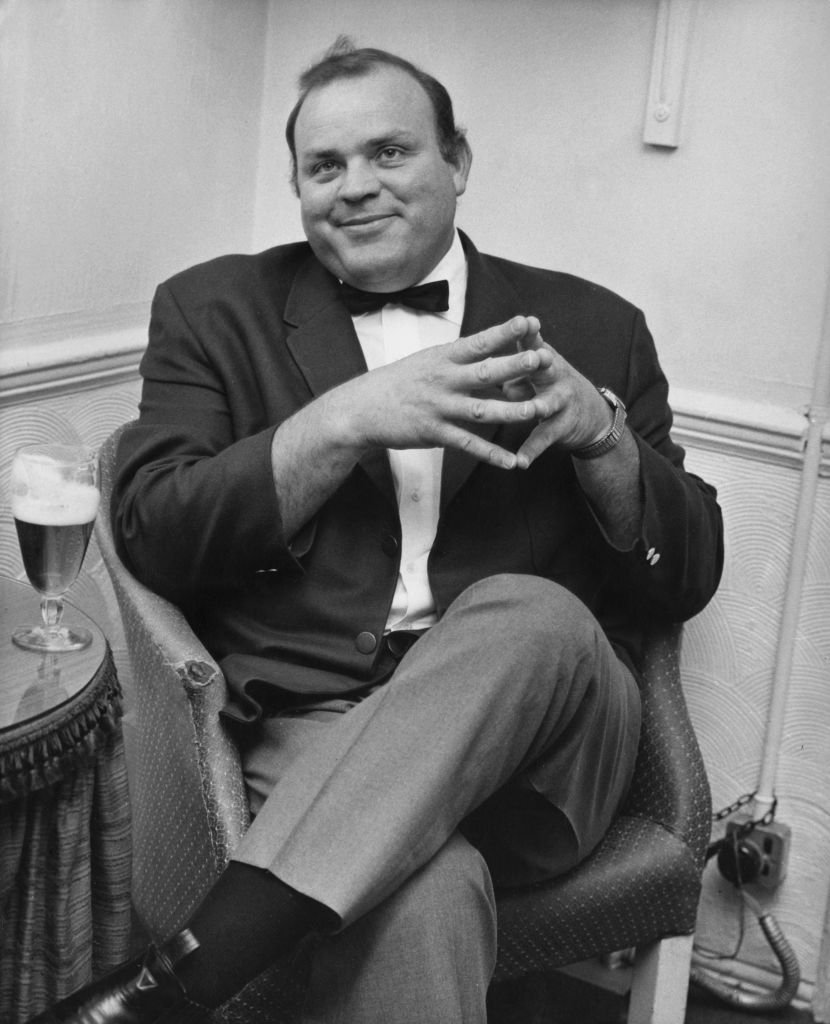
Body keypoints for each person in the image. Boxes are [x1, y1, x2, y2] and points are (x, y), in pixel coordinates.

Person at [32, 37, 723, 1024]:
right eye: (324, 166)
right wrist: (341, 418)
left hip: (545, 765)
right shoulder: (213, 308)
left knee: (530, 612)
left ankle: (178, 983)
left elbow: (685, 572)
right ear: (299, 188)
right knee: (418, 894)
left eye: (388, 153)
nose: (354, 187)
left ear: (457, 164)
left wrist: (601, 442)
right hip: (319, 738)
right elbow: (152, 534)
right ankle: (167, 991)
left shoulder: (591, 325)